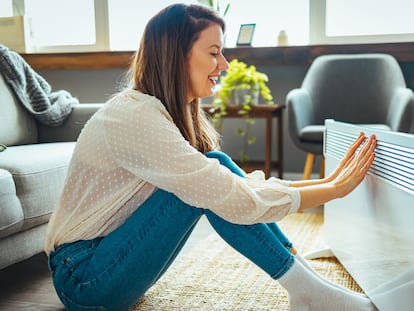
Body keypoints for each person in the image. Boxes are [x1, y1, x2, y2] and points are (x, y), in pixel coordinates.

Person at [44, 3, 378, 311]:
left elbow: (233, 187)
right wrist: (332, 190)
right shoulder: (134, 116)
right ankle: (308, 291)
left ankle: (308, 286)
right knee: (203, 187)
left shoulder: (158, 113)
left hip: (110, 261)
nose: (225, 64)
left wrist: (328, 182)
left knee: (214, 167)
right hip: (84, 279)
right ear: (177, 56)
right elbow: (228, 194)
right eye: (214, 52)